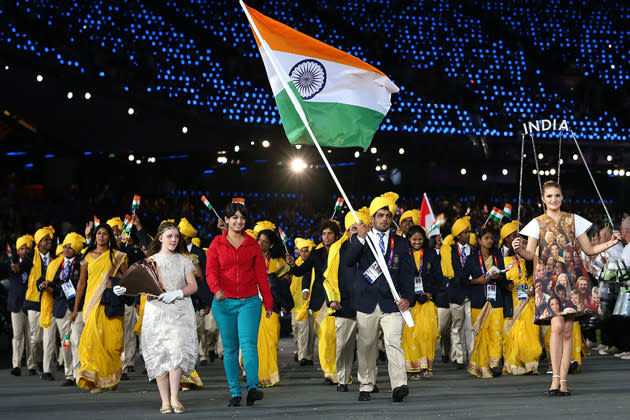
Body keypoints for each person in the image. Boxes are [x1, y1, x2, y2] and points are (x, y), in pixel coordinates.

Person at [514, 180, 621, 396]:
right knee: (556, 327)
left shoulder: (574, 220)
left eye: (557, 195)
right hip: (547, 280)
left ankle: (563, 382)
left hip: (573, 277)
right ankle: (554, 380)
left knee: (567, 331)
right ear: (543, 199)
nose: (554, 200)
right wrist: (520, 249)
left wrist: (610, 243)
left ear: (562, 197)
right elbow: (530, 255)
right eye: (550, 196)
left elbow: (589, 249)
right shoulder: (536, 223)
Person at [114, 221, 199, 414]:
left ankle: (175, 398)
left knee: (177, 352)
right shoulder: (149, 261)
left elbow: (193, 286)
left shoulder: (184, 260)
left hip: (179, 310)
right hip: (157, 311)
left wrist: (177, 293)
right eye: (170, 236)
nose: (174, 240)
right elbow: (139, 286)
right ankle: (164, 401)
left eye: (176, 236)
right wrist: (123, 289)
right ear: (160, 238)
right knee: (160, 353)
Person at [341, 192, 414, 402]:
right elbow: (347, 261)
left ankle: (399, 385)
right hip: (367, 302)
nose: (384, 219)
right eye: (380, 215)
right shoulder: (361, 239)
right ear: (371, 218)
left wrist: (408, 297)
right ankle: (366, 384)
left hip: (392, 302)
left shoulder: (400, 243)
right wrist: (360, 240)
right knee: (366, 346)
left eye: (388, 216)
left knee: (394, 343)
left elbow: (409, 273)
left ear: (392, 219)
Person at [206, 201, 273, 407]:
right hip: (224, 302)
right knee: (230, 348)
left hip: (249, 301)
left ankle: (252, 388)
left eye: (242, 217)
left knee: (249, 345)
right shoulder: (216, 244)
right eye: (234, 217)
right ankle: (235, 392)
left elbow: (261, 275)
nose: (239, 221)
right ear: (226, 220)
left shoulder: (252, 244)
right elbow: (210, 271)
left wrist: (268, 301)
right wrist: (216, 288)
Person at [70, 222, 128, 393]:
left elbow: (129, 278)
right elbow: (81, 283)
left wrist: (116, 282)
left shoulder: (118, 256)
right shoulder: (86, 257)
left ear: (110, 237)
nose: (101, 236)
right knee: (92, 342)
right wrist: (75, 309)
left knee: (112, 343)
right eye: (99, 233)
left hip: (111, 303)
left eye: (105, 233)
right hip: (92, 304)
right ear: (94, 236)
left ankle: (111, 376)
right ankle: (94, 381)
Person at [286, 219, 342, 385]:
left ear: (336, 235)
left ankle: (341, 371)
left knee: (340, 339)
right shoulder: (316, 254)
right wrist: (291, 265)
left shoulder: (342, 251)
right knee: (325, 337)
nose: (326, 237)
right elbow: (300, 271)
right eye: (323, 234)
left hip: (340, 300)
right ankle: (329, 373)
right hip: (321, 301)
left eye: (329, 233)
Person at [323, 207, 370, 392]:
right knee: (343, 345)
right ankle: (342, 378)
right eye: (353, 228)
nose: (357, 232)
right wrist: (331, 300)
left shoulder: (372, 247)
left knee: (368, 345)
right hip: (345, 303)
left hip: (368, 303)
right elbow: (327, 278)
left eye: (361, 228)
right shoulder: (338, 248)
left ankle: (367, 380)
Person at [459, 226, 511, 378]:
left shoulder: (497, 257)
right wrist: (477, 280)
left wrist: (499, 277)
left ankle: (494, 364)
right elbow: (461, 280)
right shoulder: (472, 259)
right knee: (481, 334)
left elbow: (504, 278)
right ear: (479, 240)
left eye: (491, 238)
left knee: (496, 333)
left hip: (496, 300)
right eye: (486, 238)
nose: (489, 241)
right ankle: (481, 366)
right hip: (479, 300)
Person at [39, 232, 85, 386]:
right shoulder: (57, 264)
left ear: (76, 249)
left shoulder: (82, 262)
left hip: (77, 307)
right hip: (60, 307)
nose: (66, 249)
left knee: (77, 340)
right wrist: (48, 285)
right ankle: (69, 374)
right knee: (65, 342)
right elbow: (57, 284)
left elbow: (79, 283)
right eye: (64, 246)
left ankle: (79, 374)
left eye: (69, 247)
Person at [500, 221, 542, 375]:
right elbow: (502, 282)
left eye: (526, 242)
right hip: (512, 302)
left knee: (531, 334)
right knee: (511, 336)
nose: (523, 245)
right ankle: (511, 365)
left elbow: (540, 279)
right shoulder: (505, 261)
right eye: (520, 243)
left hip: (529, 302)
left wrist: (534, 291)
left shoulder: (533, 261)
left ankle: (532, 365)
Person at [402, 225, 443, 379]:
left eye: (420, 239)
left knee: (428, 334)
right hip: (409, 301)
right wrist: (409, 294)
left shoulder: (431, 254)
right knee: (411, 335)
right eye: (414, 239)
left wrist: (430, 293)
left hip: (427, 300)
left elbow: (439, 276)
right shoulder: (404, 254)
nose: (417, 242)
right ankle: (412, 369)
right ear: (409, 240)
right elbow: (400, 277)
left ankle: (426, 367)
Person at [14, 226, 55, 379]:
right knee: (36, 339)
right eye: (46, 239)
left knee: (49, 338)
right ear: (39, 243)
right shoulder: (30, 256)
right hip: (34, 301)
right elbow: (23, 266)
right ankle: (38, 360)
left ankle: (47, 369)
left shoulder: (55, 255)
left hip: (50, 299)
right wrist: (17, 268)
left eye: (50, 239)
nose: (49, 241)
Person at [254, 222, 291, 388]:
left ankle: (270, 376)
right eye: (259, 240)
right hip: (252, 305)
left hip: (271, 306)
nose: (261, 244)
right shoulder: (250, 259)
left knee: (270, 341)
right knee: (255, 343)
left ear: (272, 245)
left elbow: (287, 282)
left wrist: (283, 302)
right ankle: (258, 376)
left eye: (265, 242)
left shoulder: (278, 262)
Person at [440, 217, 475, 369]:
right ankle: (459, 359)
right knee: (457, 327)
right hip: (456, 293)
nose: (468, 234)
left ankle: (473, 357)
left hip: (471, 292)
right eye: (465, 232)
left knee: (471, 327)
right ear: (458, 235)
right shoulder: (450, 250)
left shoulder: (474, 250)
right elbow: (449, 273)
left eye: (468, 231)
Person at [6, 235, 35, 376]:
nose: (25, 251)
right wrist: (13, 267)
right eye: (22, 248)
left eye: (28, 248)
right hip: (17, 304)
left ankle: (31, 365)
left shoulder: (34, 263)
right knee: (17, 335)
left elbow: (26, 267)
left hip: (30, 303)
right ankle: (16, 365)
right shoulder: (11, 264)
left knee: (31, 335)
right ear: (17, 251)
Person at [290, 238, 316, 365]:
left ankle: (306, 356)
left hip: (310, 304)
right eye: (302, 251)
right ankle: (300, 352)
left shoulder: (313, 264)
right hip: (296, 305)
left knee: (309, 331)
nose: (304, 253)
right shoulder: (295, 264)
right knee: (298, 331)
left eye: (307, 251)